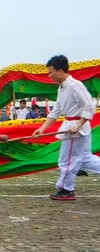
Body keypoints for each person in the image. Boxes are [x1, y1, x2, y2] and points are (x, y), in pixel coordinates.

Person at [32, 55, 100, 200]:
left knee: (67, 160)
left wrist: (78, 125)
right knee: (85, 159)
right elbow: (56, 110)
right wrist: (42, 129)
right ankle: (66, 188)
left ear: (60, 71)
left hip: (75, 129)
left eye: (51, 72)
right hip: (73, 125)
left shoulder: (74, 85)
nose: (49, 75)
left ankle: (66, 189)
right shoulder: (62, 88)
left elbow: (90, 105)